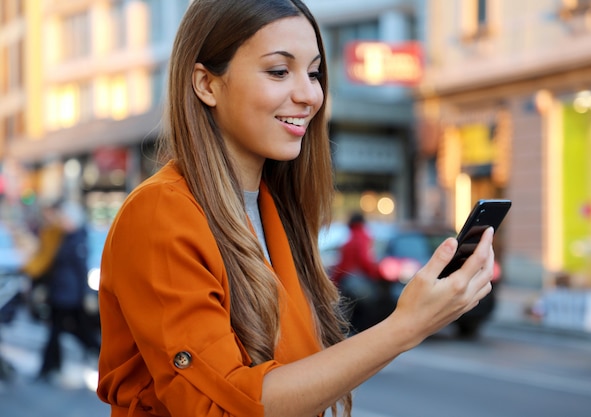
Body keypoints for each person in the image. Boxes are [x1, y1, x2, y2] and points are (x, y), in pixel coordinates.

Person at [96, 1, 495, 416]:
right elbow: (225, 405)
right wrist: (405, 325)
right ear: (206, 84)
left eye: (314, 72)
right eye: (278, 71)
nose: (309, 95)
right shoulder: (161, 212)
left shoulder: (276, 211)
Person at [22, 200, 100, 382]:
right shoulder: (64, 237)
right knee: (69, 331)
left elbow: (81, 270)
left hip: (69, 295)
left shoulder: (77, 239)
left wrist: (86, 294)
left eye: (65, 218)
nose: (62, 221)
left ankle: (50, 367)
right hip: (61, 292)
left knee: (68, 331)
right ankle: (52, 366)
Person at [330, 213, 383, 333]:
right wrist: (374, 274)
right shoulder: (364, 237)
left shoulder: (349, 239)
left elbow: (342, 264)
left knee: (352, 313)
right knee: (365, 311)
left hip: (348, 282)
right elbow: (365, 259)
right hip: (359, 282)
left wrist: (335, 279)